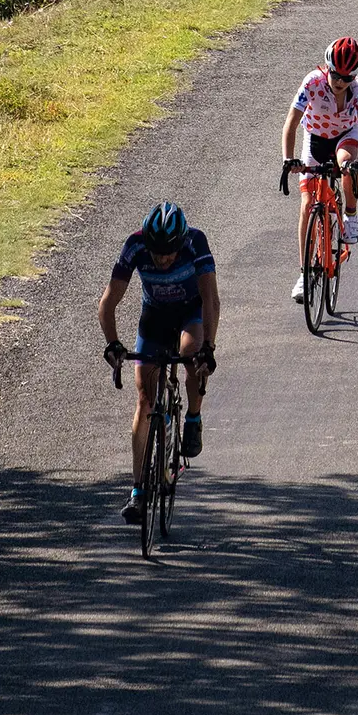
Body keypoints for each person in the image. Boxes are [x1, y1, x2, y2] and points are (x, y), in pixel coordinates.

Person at [99, 201, 219, 524]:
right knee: (144, 399)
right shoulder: (135, 246)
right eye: (157, 252)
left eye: (169, 252)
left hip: (189, 313)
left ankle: (192, 419)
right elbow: (108, 301)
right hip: (154, 318)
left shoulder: (196, 242)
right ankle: (138, 491)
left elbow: (210, 300)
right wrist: (112, 344)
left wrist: (208, 346)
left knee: (192, 357)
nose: (163, 259)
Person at [280, 36, 358, 304]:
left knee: (346, 165)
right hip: (316, 138)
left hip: (345, 135)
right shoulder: (312, 82)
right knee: (307, 203)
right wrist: (288, 159)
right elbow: (291, 123)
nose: (340, 81)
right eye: (335, 73)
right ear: (327, 67)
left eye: (346, 77)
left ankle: (350, 214)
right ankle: (304, 273)